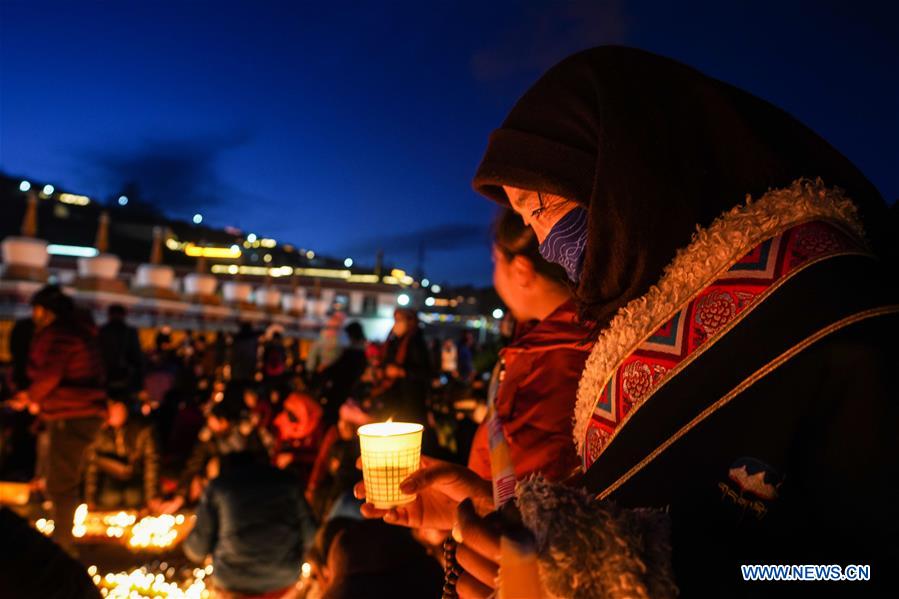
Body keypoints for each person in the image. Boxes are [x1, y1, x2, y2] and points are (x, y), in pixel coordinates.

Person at [462, 46, 898, 597]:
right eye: (525, 220)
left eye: (538, 208)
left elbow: (859, 569)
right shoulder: (629, 331)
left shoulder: (832, 312)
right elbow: (623, 510)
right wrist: (509, 523)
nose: (544, 245)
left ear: (616, 171)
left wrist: (654, 574)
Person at [466, 208, 592, 483]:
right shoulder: (553, 340)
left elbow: (529, 483)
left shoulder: (554, 362)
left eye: (496, 260)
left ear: (522, 271)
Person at [8, 285, 106, 555]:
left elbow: (50, 374)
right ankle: (61, 541)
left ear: (46, 311)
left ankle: (62, 548)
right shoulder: (74, 331)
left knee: (62, 484)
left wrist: (31, 396)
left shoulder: (62, 335)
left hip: (72, 414)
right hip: (70, 411)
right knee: (59, 480)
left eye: (36, 309)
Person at [183, 450, 316, 599]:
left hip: (233, 582)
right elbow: (311, 535)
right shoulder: (288, 482)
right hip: (285, 579)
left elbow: (197, 550)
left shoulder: (218, 488)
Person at [158, 388, 268, 513]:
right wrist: (180, 496)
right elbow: (193, 465)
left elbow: (261, 458)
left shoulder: (245, 433)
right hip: (221, 484)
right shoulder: (208, 438)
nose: (209, 424)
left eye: (212, 421)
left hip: (247, 481)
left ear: (223, 421)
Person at [84, 398, 159, 510]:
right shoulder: (99, 432)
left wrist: (152, 496)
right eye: (112, 410)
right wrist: (90, 499)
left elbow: (152, 462)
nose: (115, 414)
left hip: (136, 476)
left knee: (133, 498)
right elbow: (92, 466)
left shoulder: (142, 430)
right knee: (110, 499)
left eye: (119, 409)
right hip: (110, 478)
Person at [373, 309, 432, 423]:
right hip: (393, 396)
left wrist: (401, 371)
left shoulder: (417, 343)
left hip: (411, 398)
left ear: (410, 321)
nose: (396, 324)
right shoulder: (393, 342)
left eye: (400, 320)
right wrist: (382, 370)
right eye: (395, 320)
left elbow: (425, 372)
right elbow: (386, 361)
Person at [317, 321, 368, 426]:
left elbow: (338, 370)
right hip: (348, 393)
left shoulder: (352, 354)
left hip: (342, 393)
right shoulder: (360, 353)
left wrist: (324, 371)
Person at [98, 304, 144, 403]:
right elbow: (137, 356)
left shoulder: (102, 331)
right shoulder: (130, 332)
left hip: (106, 376)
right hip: (124, 376)